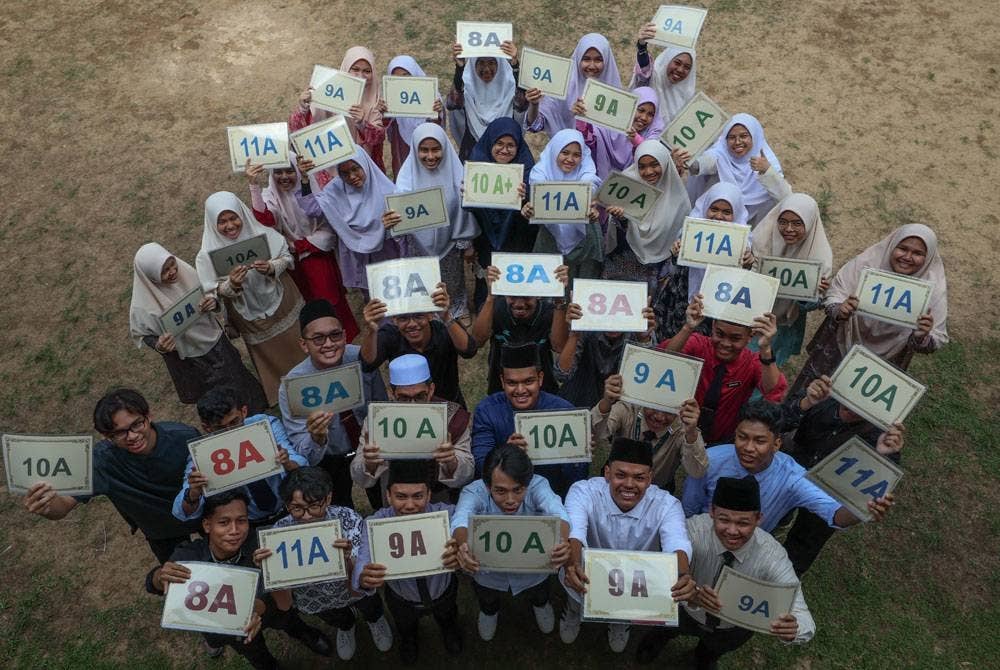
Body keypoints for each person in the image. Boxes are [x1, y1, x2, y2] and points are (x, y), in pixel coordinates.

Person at [635, 475, 815, 667]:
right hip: (682, 610)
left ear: (758, 519)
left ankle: (703, 659)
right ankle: (655, 642)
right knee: (665, 630)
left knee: (712, 651)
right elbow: (654, 566)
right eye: (724, 520)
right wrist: (687, 592)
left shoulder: (772, 556)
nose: (732, 530)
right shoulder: (692, 531)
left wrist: (795, 628)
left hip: (732, 628)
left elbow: (801, 612)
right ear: (712, 512)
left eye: (743, 523)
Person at [22, 389, 200, 582]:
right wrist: (46, 506)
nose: (132, 436)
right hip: (160, 530)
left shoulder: (185, 437)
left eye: (137, 425)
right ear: (106, 436)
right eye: (119, 433)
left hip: (203, 513)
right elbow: (62, 507)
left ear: (149, 416)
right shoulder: (100, 462)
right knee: (181, 583)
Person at [149, 491, 332, 669]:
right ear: (207, 525)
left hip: (273, 609)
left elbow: (280, 594)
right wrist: (160, 576)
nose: (235, 530)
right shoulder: (189, 556)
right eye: (224, 522)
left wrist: (256, 609)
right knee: (254, 652)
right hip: (229, 629)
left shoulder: (265, 542)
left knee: (290, 621)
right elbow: (153, 584)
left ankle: (304, 634)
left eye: (242, 521)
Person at [560, 438, 695, 652]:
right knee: (576, 594)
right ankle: (574, 612)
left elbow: (677, 541)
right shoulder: (583, 491)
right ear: (607, 473)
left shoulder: (667, 504)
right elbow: (574, 529)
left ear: (650, 478)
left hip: (634, 583)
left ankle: (620, 621)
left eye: (639, 477)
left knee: (624, 608)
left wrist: (682, 574)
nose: (629, 485)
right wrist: (573, 563)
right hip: (585, 573)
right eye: (620, 475)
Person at [681, 401, 896, 535]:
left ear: (776, 444)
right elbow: (688, 509)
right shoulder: (711, 460)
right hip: (701, 536)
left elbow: (835, 515)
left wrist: (862, 509)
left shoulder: (793, 477)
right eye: (742, 437)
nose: (748, 448)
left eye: (759, 441)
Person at [789, 223, 948, 396]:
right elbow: (835, 294)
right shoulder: (867, 263)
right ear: (891, 246)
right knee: (809, 396)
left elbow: (936, 338)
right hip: (840, 343)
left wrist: (922, 335)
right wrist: (841, 309)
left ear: (929, 256)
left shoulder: (933, 290)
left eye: (918, 253)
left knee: (849, 410)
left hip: (882, 364)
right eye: (902, 248)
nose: (908, 257)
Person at [254, 467, 393, 660]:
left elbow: (358, 588)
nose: (307, 516)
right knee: (338, 618)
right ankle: (346, 627)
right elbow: (285, 604)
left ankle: (375, 621)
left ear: (328, 498)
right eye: (297, 508)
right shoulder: (278, 533)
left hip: (354, 592)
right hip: (315, 600)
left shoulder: (348, 519)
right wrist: (270, 571)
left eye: (314, 506)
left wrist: (346, 560)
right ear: (286, 505)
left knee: (370, 606)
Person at [779, 375, 904, 575]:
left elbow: (875, 489)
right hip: (791, 474)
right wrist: (805, 403)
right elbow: (777, 422)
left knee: (799, 551)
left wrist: (883, 456)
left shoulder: (882, 436)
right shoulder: (821, 396)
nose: (853, 409)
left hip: (830, 496)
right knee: (770, 519)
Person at [128, 242, 267, 412]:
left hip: (216, 342)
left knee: (237, 377)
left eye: (172, 264)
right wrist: (160, 345)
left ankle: (255, 408)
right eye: (164, 271)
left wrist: (213, 303)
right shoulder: (142, 306)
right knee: (213, 393)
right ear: (150, 276)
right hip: (190, 359)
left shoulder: (188, 274)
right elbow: (145, 334)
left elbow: (211, 295)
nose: (172, 272)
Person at [451, 445, 571, 640]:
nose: (510, 500)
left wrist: (563, 540)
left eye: (517, 490)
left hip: (534, 574)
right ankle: (489, 612)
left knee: (540, 594)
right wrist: (463, 545)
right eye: (500, 491)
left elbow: (558, 512)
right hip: (488, 576)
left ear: (527, 482)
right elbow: (460, 519)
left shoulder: (538, 485)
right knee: (487, 598)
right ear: (487, 485)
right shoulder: (473, 492)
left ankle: (541, 605)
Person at [195, 191, 304, 405]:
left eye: (233, 217)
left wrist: (271, 267)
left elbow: (286, 257)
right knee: (270, 355)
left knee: (297, 342)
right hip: (249, 315)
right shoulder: (205, 256)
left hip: (281, 301)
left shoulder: (262, 233)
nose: (230, 226)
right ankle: (285, 396)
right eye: (222, 221)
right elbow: (213, 293)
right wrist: (231, 284)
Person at [279, 299, 388, 509]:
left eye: (335, 335)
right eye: (318, 339)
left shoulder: (361, 357)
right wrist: (316, 437)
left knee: (384, 502)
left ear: (345, 336)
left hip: (369, 445)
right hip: (328, 457)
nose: (329, 344)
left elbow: (381, 406)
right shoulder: (293, 386)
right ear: (304, 344)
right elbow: (303, 452)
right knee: (336, 510)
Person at [354, 461, 462, 665]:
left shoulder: (447, 513)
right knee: (405, 625)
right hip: (402, 598)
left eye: (418, 496)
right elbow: (363, 559)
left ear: (429, 494)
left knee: (447, 616)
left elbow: (466, 522)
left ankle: (449, 630)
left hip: (443, 590)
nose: (410, 505)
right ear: (388, 495)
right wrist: (363, 576)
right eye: (401, 496)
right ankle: (409, 640)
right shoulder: (375, 524)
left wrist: (462, 544)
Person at [244, 156, 359, 340]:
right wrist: (253, 185)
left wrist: (302, 244)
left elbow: (327, 225)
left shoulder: (312, 189)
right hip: (292, 262)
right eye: (278, 172)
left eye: (289, 171)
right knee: (307, 306)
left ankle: (344, 340)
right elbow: (265, 220)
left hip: (317, 255)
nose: (284, 177)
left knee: (329, 301)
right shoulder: (271, 195)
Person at [660, 292, 786, 445]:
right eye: (720, 334)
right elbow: (663, 358)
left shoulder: (751, 362)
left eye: (735, 338)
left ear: (750, 336)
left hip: (722, 438)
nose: (725, 344)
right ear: (713, 327)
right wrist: (688, 327)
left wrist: (765, 349)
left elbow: (774, 390)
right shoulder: (698, 344)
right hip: (678, 428)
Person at [383, 122, 479, 319]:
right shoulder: (406, 178)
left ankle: (456, 309)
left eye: (436, 149)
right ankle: (428, 313)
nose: (430, 156)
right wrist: (392, 219)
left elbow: (463, 211)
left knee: (452, 278)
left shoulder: (456, 173)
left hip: (449, 243)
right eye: (424, 150)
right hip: (418, 245)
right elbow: (400, 212)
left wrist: (465, 242)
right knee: (424, 279)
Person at [173, 386, 306, 526]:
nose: (230, 431)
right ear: (207, 428)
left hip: (290, 509)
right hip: (248, 525)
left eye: (234, 422)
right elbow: (181, 512)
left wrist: (287, 462)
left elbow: (302, 464)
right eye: (220, 428)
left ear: (244, 411)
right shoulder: (201, 454)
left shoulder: (265, 426)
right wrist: (193, 492)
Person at [352, 353, 474, 506]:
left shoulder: (453, 418)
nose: (413, 404)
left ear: (431, 390)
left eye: (419, 397)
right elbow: (358, 476)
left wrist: (451, 461)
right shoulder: (377, 419)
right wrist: (369, 463)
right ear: (392, 393)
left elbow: (468, 473)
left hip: (441, 501)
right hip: (395, 501)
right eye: (404, 398)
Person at [471, 343, 589, 497]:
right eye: (512, 383)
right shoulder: (487, 411)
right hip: (504, 501)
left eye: (528, 382)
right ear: (502, 381)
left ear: (540, 379)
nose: (520, 390)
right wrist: (506, 454)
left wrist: (580, 452)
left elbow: (577, 479)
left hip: (553, 499)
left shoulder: (564, 411)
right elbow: (481, 467)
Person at [652, 182, 754, 340]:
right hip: (681, 298)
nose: (719, 216)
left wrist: (747, 263)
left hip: (717, 308)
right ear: (705, 207)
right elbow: (674, 270)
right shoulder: (691, 230)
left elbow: (743, 280)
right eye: (714, 209)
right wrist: (676, 253)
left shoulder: (743, 243)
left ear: (737, 213)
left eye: (727, 212)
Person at [525, 33, 632, 179]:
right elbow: (535, 125)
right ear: (578, 59)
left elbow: (621, 145)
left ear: (607, 61)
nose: (592, 66)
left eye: (598, 59)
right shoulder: (563, 87)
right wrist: (534, 104)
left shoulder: (615, 92)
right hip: (568, 167)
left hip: (604, 169)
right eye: (586, 59)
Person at [360, 281, 477, 407]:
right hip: (409, 407)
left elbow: (469, 350)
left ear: (430, 315)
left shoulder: (443, 330)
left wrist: (446, 317)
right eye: (403, 318)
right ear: (394, 319)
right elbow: (367, 364)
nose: (412, 324)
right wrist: (372, 330)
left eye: (418, 316)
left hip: (448, 404)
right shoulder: (390, 336)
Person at [303, 149, 404, 295]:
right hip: (359, 255)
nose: (351, 177)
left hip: (386, 251)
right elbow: (313, 210)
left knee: (396, 290)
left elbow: (404, 230)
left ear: (365, 165)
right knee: (373, 298)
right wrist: (305, 180)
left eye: (355, 169)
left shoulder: (386, 191)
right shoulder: (335, 190)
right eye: (344, 173)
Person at [749, 194, 834, 365]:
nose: (788, 229)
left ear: (810, 224)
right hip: (751, 318)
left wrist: (814, 292)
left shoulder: (820, 259)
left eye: (797, 223)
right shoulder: (761, 240)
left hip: (784, 324)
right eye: (783, 222)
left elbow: (812, 305)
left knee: (765, 370)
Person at [592, 374, 707, 493]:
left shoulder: (684, 429)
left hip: (657, 490)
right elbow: (596, 433)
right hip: (616, 482)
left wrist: (692, 434)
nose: (659, 417)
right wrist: (606, 402)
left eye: (669, 412)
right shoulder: (628, 409)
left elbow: (697, 471)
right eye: (654, 408)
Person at [467, 118, 538, 308]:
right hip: (485, 235)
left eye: (511, 145)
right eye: (499, 144)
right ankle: (487, 303)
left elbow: (535, 210)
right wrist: (467, 196)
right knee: (487, 271)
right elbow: (468, 212)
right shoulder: (478, 163)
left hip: (517, 236)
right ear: (490, 143)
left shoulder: (527, 169)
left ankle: (514, 305)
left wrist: (526, 198)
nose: (504, 150)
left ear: (518, 147)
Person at [601, 140, 690, 288]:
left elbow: (679, 240)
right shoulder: (626, 183)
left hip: (661, 269)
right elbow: (616, 235)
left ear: (664, 163)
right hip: (626, 264)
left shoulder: (679, 198)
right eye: (642, 167)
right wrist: (621, 218)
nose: (648, 172)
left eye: (654, 165)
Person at [549, 291, 657, 410]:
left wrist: (643, 340)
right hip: (579, 405)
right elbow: (561, 375)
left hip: (620, 410)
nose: (612, 323)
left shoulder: (641, 328)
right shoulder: (584, 324)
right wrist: (574, 333)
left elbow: (647, 384)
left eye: (618, 318)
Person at [679, 113, 791, 225]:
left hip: (752, 226)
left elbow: (786, 198)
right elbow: (707, 162)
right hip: (712, 222)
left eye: (743, 136)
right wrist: (691, 163)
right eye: (732, 137)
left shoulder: (767, 161)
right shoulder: (721, 154)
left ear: (754, 136)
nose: (737, 142)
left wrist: (767, 171)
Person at [471, 263, 567, 394]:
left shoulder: (548, 312)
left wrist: (559, 302)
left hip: (543, 387)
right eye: (513, 296)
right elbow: (477, 340)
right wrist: (490, 297)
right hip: (501, 386)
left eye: (527, 297)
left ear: (538, 295)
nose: (519, 304)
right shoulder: (496, 308)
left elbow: (559, 346)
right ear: (504, 294)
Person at [521, 129, 604, 280]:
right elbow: (538, 198)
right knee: (551, 286)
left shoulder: (587, 173)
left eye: (576, 155)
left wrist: (588, 200)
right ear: (555, 151)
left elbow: (591, 183)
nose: (570, 159)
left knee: (582, 288)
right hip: (550, 237)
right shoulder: (539, 173)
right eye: (565, 152)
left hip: (586, 239)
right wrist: (529, 209)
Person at [291, 47, 386, 170]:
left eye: (367, 71)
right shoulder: (329, 90)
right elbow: (298, 129)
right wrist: (304, 107)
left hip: (362, 169)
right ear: (346, 68)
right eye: (355, 69)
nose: (360, 76)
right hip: (331, 167)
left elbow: (378, 139)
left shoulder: (376, 99)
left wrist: (363, 123)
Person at [447, 39, 524, 159]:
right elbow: (453, 103)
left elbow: (522, 104)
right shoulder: (466, 91)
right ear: (473, 66)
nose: (487, 69)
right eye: (481, 63)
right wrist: (460, 67)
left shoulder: (510, 91)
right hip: (473, 157)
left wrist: (515, 65)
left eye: (492, 63)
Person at [383, 55, 446, 177]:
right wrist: (383, 112)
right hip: (403, 149)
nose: (402, 82)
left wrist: (436, 113)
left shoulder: (433, 99)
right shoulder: (391, 102)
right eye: (396, 78)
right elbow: (386, 128)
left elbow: (438, 130)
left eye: (406, 76)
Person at [630, 24, 696, 125]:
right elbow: (644, 67)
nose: (680, 70)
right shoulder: (652, 78)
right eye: (677, 63)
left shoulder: (688, 94)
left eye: (687, 67)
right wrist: (642, 46)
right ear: (667, 60)